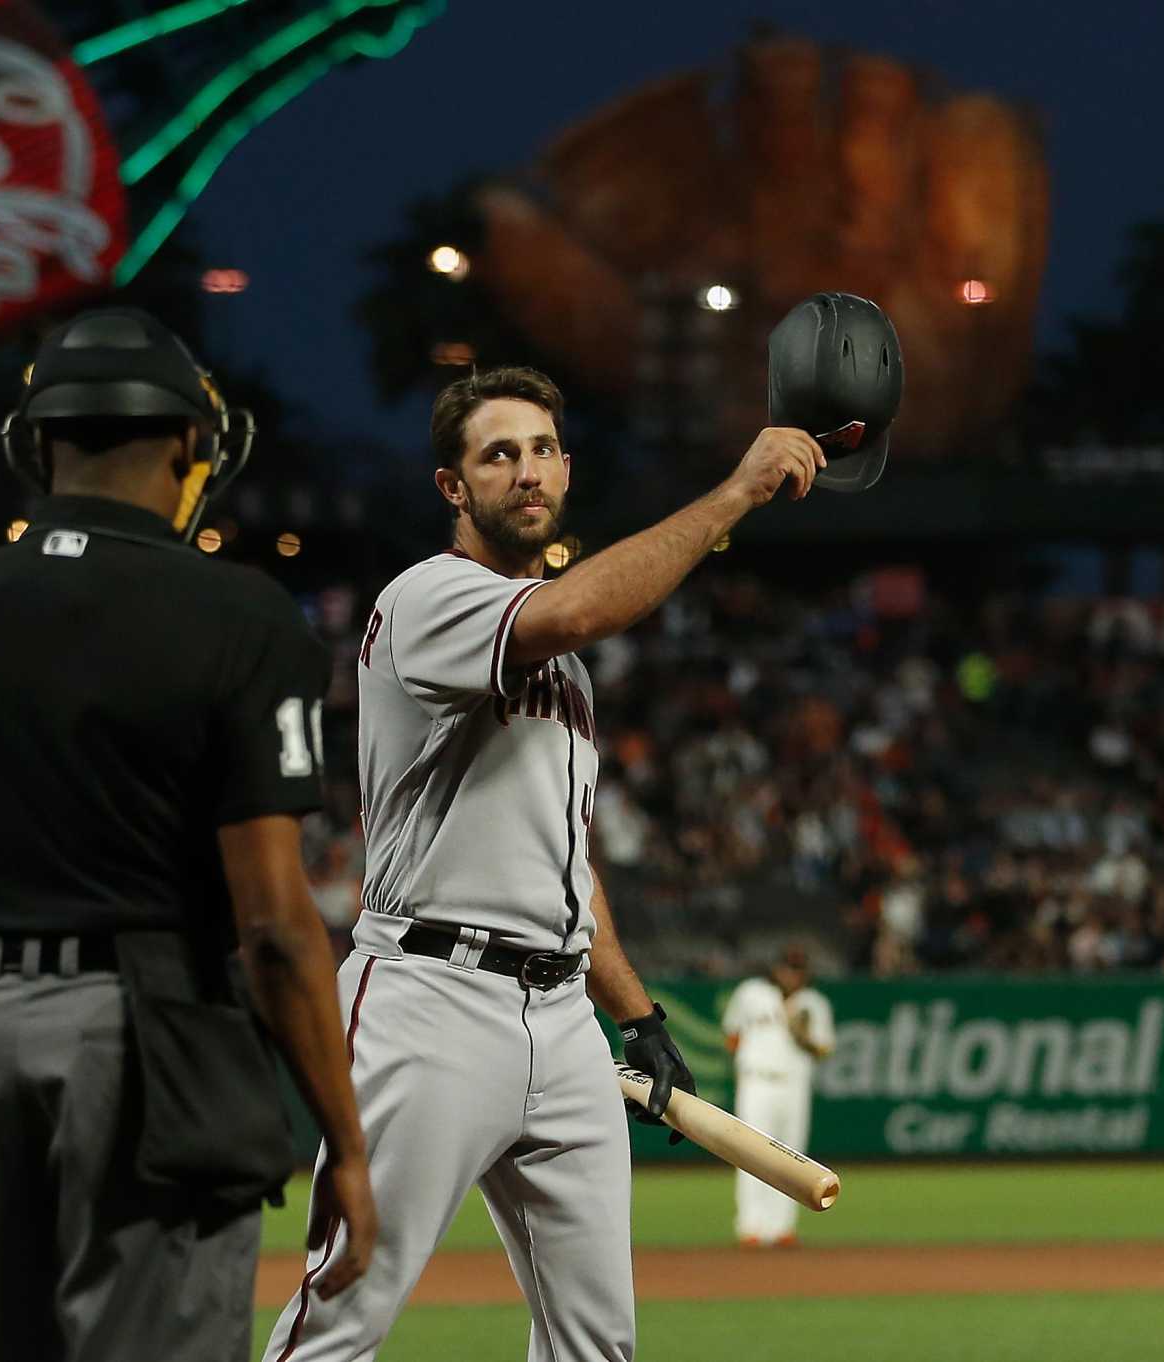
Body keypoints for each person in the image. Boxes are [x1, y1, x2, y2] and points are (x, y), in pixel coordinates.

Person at [263, 366, 826, 1361]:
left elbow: (565, 866)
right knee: (343, 1315)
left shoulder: (557, 665)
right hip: (427, 998)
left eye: (540, 450)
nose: (524, 470)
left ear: (565, 467)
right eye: (496, 453)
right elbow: (571, 612)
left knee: (594, 1340)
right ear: (452, 487)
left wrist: (637, 1015)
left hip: (560, 1014)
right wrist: (734, 495)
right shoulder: (427, 597)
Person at [0, 308, 375, 1362]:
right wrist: (345, 1149)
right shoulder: (239, 614)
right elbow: (272, 925)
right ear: (192, 445)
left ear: (36, 445)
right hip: (141, 1033)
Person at [722, 945, 835, 1247]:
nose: (792, 974)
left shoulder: (814, 1002)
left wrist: (804, 1038)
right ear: (776, 969)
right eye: (787, 967)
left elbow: (824, 1049)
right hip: (757, 1082)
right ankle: (751, 1227)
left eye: (798, 969)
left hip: (794, 1085)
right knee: (751, 1153)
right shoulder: (752, 993)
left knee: (793, 1157)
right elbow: (732, 1036)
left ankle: (781, 1227)